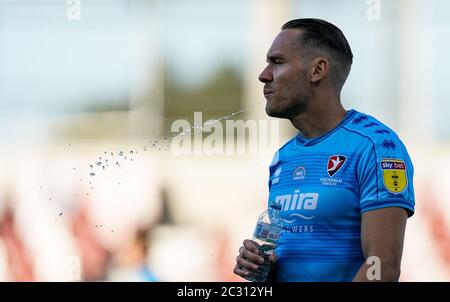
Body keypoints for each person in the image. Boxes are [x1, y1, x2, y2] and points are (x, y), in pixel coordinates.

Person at [234, 18, 415, 282]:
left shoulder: (376, 146)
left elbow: (382, 268)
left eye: (277, 62)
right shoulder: (283, 158)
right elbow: (291, 260)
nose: (264, 75)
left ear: (317, 70)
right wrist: (263, 268)